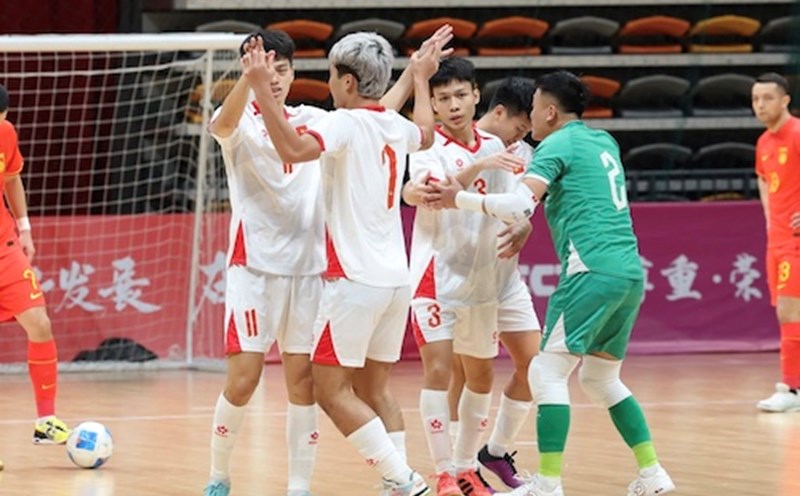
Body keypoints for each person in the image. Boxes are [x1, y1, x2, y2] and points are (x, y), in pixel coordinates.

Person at [203, 27, 452, 496]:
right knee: (243, 381)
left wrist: (414, 74)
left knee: (305, 383)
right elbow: (221, 126)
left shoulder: (315, 118)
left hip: (312, 271)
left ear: (296, 73)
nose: (274, 78)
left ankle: (301, 487)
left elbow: (377, 112)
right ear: (248, 71)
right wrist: (249, 82)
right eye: (265, 69)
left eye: (282, 69)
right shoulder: (240, 120)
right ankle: (219, 474)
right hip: (253, 269)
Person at [430, 70, 675, 496]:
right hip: (629, 270)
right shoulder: (603, 141)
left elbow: (516, 201)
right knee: (601, 380)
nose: (531, 126)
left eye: (535, 114)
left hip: (590, 270)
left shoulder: (556, 142)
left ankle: (547, 484)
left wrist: (459, 198)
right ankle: (652, 472)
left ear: (547, 111)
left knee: (544, 371)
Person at [402, 63, 540, 495]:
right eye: (443, 99)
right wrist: (478, 165)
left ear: (477, 95)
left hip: (483, 282)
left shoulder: (505, 147)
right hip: (437, 278)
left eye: (460, 95)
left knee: (481, 378)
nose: (453, 105)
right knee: (438, 372)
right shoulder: (427, 145)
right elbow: (434, 196)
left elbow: (518, 203)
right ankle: (442, 472)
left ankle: (466, 469)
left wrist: (524, 222)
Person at [0, 83, 71, 446]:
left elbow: (11, 179)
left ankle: (46, 420)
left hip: (3, 243)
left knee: (39, 322)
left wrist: (24, 228)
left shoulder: (5, 133)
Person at [752, 72, 800, 413]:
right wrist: (771, 218)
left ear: (785, 100)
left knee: (789, 311)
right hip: (778, 239)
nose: (760, 105)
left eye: (767, 98)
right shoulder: (763, 142)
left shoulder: (797, 134)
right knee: (787, 312)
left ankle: (791, 388)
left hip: (796, 241)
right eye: (755, 99)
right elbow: (764, 179)